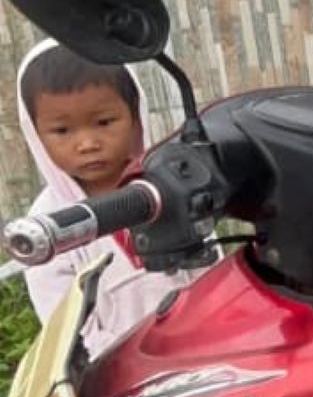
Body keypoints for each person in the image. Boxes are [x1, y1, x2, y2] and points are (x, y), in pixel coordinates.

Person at [17, 38, 208, 359]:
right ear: (35, 134)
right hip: (118, 382)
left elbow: (210, 273)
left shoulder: (172, 188)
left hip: (205, 354)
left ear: (136, 116)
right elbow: (69, 333)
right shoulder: (48, 227)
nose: (88, 143)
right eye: (63, 131)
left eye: (104, 122)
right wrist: (142, 362)